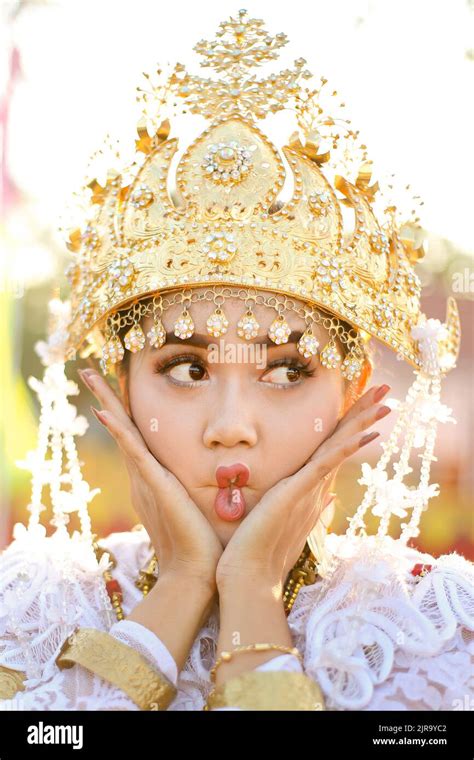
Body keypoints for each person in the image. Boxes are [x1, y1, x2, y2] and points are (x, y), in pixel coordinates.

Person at [0, 10, 472, 712]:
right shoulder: (27, 610)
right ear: (120, 390)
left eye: (287, 371)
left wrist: (251, 587)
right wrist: (185, 582)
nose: (231, 427)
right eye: (187, 369)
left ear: (353, 395)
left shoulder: (431, 628)